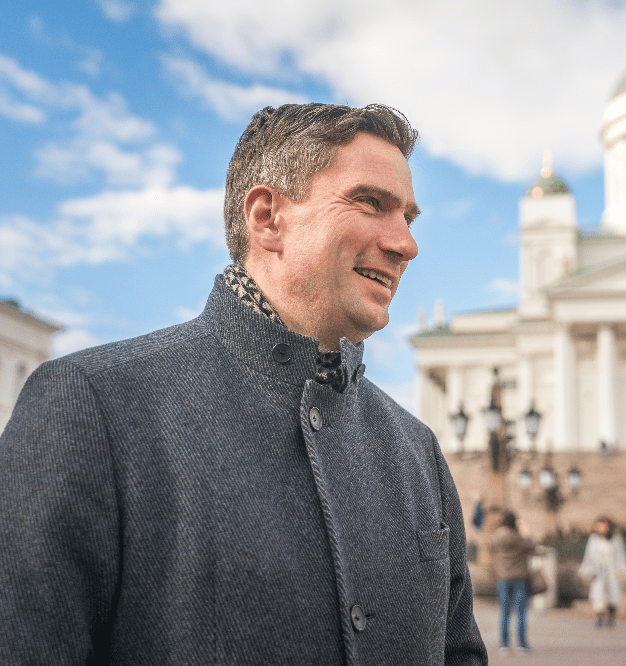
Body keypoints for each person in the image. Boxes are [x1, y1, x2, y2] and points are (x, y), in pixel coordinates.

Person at [0, 103, 487, 665]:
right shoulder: (92, 406)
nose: (406, 244)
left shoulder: (416, 449)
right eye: (371, 204)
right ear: (267, 218)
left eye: (408, 217)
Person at [489, 511, 536, 652]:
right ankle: (521, 644)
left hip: (503, 579)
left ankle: (504, 644)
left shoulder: (498, 537)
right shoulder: (519, 538)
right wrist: (525, 532)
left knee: (504, 613)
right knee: (521, 613)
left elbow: (490, 546)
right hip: (520, 579)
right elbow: (532, 546)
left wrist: (499, 531)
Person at [579, 516, 626, 628]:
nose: (601, 528)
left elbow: (620, 555)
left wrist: (623, 570)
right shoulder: (593, 539)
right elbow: (589, 556)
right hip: (598, 571)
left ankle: (611, 617)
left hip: (612, 571)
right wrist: (587, 570)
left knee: (613, 595)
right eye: (599, 526)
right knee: (598, 595)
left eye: (603, 526)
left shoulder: (615, 539)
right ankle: (600, 617)